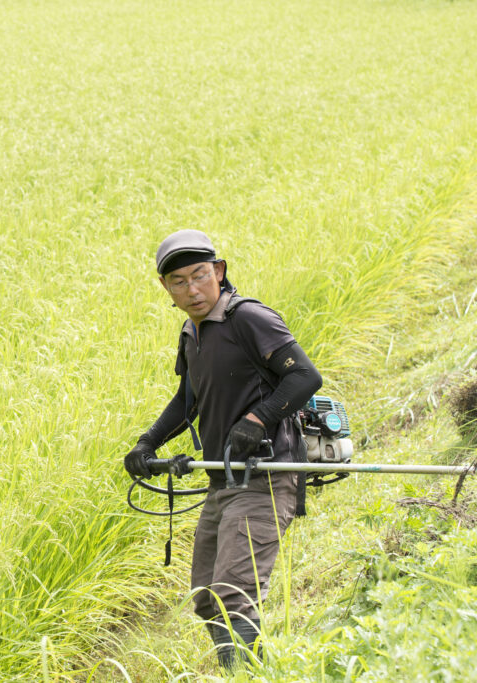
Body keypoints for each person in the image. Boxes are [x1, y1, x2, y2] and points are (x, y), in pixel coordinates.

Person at [124, 229, 322, 671]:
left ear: (219, 271)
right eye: (179, 281)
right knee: (207, 598)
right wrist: (148, 442)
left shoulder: (248, 318)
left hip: (267, 475)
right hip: (223, 480)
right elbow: (188, 400)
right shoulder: (192, 331)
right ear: (166, 288)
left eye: (200, 275)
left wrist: (257, 419)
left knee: (233, 595)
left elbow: (305, 377)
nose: (192, 289)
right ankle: (245, 673)